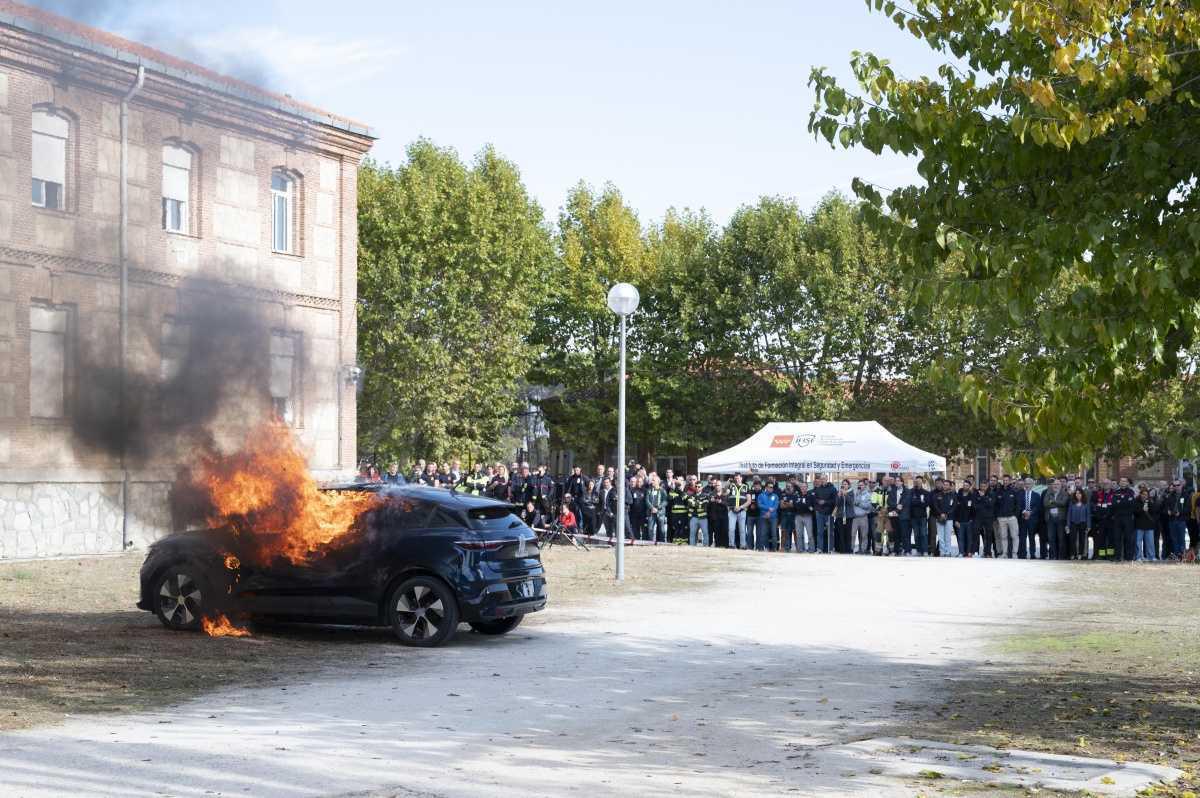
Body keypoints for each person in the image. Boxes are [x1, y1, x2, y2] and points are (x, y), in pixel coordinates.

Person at [1041, 478, 1068, 559]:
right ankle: (1053, 556)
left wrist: (1052, 502)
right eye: (1054, 484)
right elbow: (1045, 504)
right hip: (1050, 519)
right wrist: (1056, 503)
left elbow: (1063, 503)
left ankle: (1060, 556)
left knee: (1061, 538)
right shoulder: (1049, 493)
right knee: (1051, 538)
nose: (1055, 486)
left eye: (1057, 484)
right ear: (1052, 486)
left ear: (1060, 485)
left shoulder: (1064, 493)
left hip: (1060, 519)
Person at [994, 475, 1020, 558]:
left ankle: (1014, 553)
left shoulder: (1014, 491)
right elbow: (996, 505)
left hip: (1012, 517)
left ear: (1010, 481)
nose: (1005, 482)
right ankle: (1004, 553)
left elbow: (1018, 505)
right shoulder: (999, 492)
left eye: (1007, 480)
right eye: (1004, 480)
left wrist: (1015, 515)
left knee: (1014, 536)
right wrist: (998, 515)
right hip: (1001, 518)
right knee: (1003, 536)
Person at [1112, 477, 1137, 562]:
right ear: (1119, 483)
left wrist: (1121, 502)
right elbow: (1114, 504)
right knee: (1117, 538)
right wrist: (1124, 502)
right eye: (1121, 481)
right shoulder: (1116, 492)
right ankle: (1118, 557)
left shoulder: (1131, 492)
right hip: (1118, 518)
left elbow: (1132, 504)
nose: (1123, 482)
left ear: (1127, 483)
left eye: (1124, 481)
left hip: (1128, 518)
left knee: (1128, 538)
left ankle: (1128, 557)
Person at [1164, 479, 1189, 561]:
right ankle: (1176, 555)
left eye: (1178, 485)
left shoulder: (1186, 495)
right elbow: (1166, 506)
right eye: (1174, 485)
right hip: (1172, 520)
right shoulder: (1170, 495)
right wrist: (1168, 511)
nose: (1176, 487)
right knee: (1174, 539)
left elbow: (1188, 508)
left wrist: (1180, 513)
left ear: (1181, 485)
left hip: (1181, 520)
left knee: (1181, 538)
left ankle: (1182, 555)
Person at [812, 474, 838, 554]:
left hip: (829, 513)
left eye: (824, 479)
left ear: (827, 479)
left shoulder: (833, 489)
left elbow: (835, 501)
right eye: (821, 479)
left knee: (830, 532)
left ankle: (831, 549)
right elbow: (815, 500)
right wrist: (818, 504)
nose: (822, 480)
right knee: (819, 532)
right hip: (819, 513)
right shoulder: (818, 489)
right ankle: (819, 548)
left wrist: (825, 502)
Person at [933, 478, 957, 557]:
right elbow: (935, 506)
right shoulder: (937, 495)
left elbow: (953, 507)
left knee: (947, 536)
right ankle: (942, 552)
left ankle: (948, 551)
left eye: (947, 485)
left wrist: (946, 514)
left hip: (949, 518)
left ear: (950, 486)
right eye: (944, 484)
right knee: (940, 536)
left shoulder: (953, 496)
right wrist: (941, 513)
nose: (945, 486)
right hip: (939, 518)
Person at [884, 476, 909, 556]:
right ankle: (896, 550)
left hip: (903, 515)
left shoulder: (907, 491)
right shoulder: (892, 491)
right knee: (896, 534)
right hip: (894, 515)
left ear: (902, 482)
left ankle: (907, 550)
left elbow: (906, 502)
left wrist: (898, 509)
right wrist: (896, 506)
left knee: (904, 534)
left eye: (899, 481)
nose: (897, 482)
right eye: (896, 481)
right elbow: (889, 502)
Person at [1132, 485, 1157, 562]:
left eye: (1146, 494)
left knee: (1150, 542)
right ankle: (1138, 556)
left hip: (1149, 525)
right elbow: (1135, 512)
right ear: (1140, 494)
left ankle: (1151, 556)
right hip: (1139, 525)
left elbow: (1154, 511)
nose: (1144, 496)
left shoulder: (1150, 501)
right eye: (1143, 494)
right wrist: (1142, 509)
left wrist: (1150, 504)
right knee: (1138, 542)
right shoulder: (1136, 501)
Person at [726, 473, 751, 549]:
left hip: (742, 511)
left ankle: (743, 545)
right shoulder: (730, 486)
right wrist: (727, 484)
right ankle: (731, 545)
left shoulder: (746, 487)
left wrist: (740, 507)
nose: (737, 479)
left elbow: (749, 501)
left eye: (738, 478)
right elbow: (724, 493)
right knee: (731, 529)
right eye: (735, 478)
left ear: (741, 478)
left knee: (742, 530)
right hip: (732, 510)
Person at [973, 482, 996, 557]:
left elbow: (991, 504)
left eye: (984, 486)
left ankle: (987, 552)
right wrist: (984, 503)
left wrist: (983, 497)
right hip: (978, 517)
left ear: (987, 486)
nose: (983, 488)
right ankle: (976, 551)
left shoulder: (991, 494)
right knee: (976, 534)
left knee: (988, 535)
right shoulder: (976, 494)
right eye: (981, 486)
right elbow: (975, 505)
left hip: (988, 518)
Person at [1066, 488, 1090, 559]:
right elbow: (1069, 514)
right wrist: (1067, 525)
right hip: (1073, 523)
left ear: (1082, 494)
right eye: (1076, 493)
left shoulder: (1086, 503)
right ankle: (1073, 554)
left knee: (1082, 539)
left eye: (1079, 493)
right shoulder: (1072, 502)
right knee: (1072, 539)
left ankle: (1080, 554)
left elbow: (1088, 515)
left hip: (1083, 523)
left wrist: (1089, 525)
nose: (1078, 495)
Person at [757, 480, 780, 551]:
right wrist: (768, 509)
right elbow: (759, 505)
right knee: (763, 533)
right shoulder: (761, 495)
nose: (771, 488)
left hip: (773, 517)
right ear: (766, 487)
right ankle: (762, 548)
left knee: (774, 533)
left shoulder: (775, 496)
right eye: (770, 487)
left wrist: (770, 512)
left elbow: (776, 505)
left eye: (772, 487)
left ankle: (774, 549)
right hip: (763, 516)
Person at [851, 479, 872, 554]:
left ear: (865, 486)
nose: (860, 486)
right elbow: (853, 503)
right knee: (853, 534)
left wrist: (860, 504)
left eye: (861, 485)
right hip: (855, 518)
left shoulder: (868, 495)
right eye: (859, 485)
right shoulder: (856, 493)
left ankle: (863, 549)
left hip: (863, 517)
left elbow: (868, 506)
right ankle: (851, 549)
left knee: (864, 535)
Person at [955, 479, 974, 557]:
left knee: (969, 538)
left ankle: (969, 552)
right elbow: (955, 509)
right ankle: (961, 552)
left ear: (969, 487)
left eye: (967, 485)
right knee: (960, 538)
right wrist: (956, 520)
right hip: (960, 521)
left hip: (969, 521)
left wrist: (972, 519)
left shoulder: (972, 496)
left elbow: (974, 509)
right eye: (964, 485)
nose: (965, 486)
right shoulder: (958, 496)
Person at [667, 477, 690, 543]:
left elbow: (686, 499)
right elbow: (669, 498)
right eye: (678, 482)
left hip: (683, 514)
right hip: (674, 514)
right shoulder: (672, 491)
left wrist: (678, 489)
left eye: (680, 481)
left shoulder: (686, 491)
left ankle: (684, 543)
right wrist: (672, 488)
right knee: (675, 529)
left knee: (683, 529)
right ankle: (675, 543)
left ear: (684, 482)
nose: (678, 483)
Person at [794, 480, 815, 552]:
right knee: (799, 534)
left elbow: (812, 507)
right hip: (798, 516)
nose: (803, 488)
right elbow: (796, 505)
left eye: (805, 487)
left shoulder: (810, 495)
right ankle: (800, 549)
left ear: (807, 487)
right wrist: (805, 505)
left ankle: (811, 549)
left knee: (810, 534)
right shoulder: (797, 495)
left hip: (808, 516)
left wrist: (804, 504)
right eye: (802, 487)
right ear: (800, 488)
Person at [687, 479, 709, 546]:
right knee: (692, 533)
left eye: (699, 486)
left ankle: (706, 547)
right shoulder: (691, 495)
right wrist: (699, 503)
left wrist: (696, 503)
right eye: (696, 486)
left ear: (702, 487)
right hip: (694, 517)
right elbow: (691, 504)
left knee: (705, 533)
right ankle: (692, 547)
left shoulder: (705, 495)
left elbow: (704, 505)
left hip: (703, 518)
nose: (697, 488)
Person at [706, 478, 726, 548]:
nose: (717, 486)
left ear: (721, 486)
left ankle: (720, 545)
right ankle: (711, 545)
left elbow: (727, 504)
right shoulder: (711, 494)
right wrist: (710, 501)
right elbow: (707, 505)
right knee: (712, 533)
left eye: (719, 485)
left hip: (722, 518)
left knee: (720, 533)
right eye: (716, 485)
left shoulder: (725, 494)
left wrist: (721, 502)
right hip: (713, 517)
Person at [779, 481, 797, 552]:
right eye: (787, 486)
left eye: (789, 486)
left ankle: (798, 547)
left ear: (792, 487)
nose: (788, 487)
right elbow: (781, 506)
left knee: (795, 532)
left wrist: (786, 504)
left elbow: (794, 506)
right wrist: (789, 504)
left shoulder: (795, 495)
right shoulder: (782, 494)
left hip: (793, 515)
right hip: (784, 515)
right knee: (783, 532)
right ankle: (782, 548)